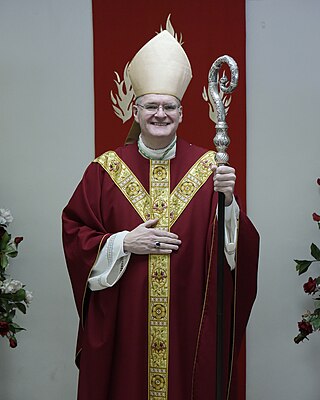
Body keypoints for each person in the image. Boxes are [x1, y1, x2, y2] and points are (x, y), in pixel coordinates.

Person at [62, 30, 259, 400]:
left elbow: (238, 251)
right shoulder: (105, 171)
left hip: (188, 326)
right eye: (151, 106)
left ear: (182, 112)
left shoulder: (208, 169)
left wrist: (229, 202)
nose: (160, 114)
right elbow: (75, 235)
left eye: (168, 107)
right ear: (135, 110)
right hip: (127, 329)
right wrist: (123, 243)